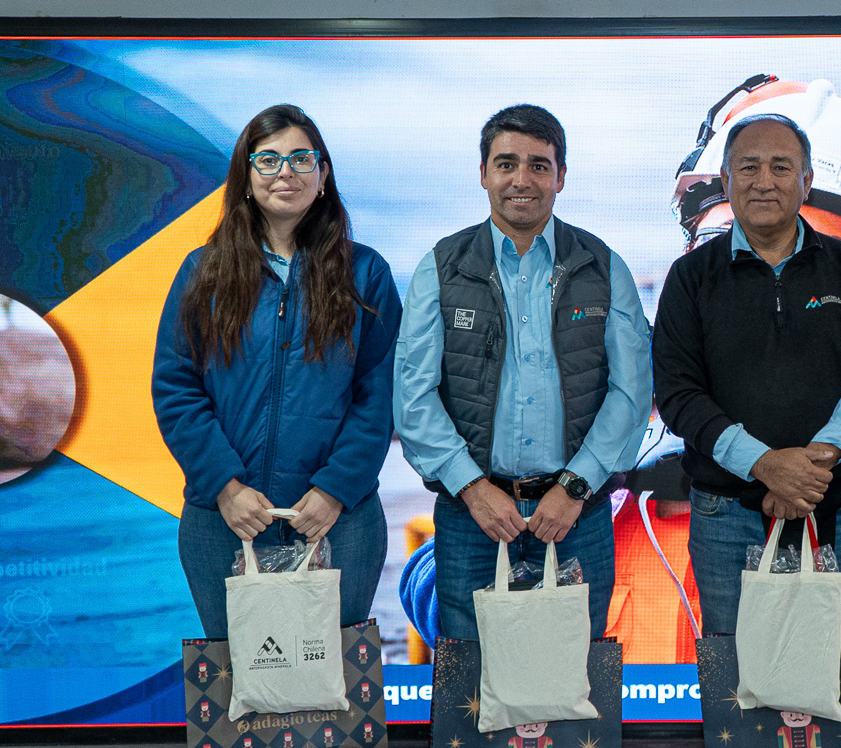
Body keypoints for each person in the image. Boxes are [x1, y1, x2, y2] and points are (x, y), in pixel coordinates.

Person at [394, 104, 651, 640]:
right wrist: (472, 489)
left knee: (576, 669)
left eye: (539, 165)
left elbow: (631, 393)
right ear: (483, 173)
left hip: (577, 517)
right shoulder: (441, 267)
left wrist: (574, 489)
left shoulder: (604, 267)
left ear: (561, 176)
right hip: (473, 517)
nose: (521, 180)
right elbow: (413, 395)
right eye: (506, 164)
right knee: (470, 670)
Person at [153, 104, 402, 638]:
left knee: (333, 675)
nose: (285, 172)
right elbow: (177, 388)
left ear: (322, 174)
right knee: (237, 675)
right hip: (225, 519)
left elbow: (380, 394)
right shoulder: (203, 272)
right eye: (267, 160)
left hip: (339, 519)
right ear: (245, 179)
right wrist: (225, 488)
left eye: (300, 158)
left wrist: (334, 489)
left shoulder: (366, 273)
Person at [652, 112, 841, 635]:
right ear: (726, 180)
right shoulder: (690, 278)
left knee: (839, 664)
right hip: (726, 513)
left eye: (781, 167)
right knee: (733, 666)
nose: (764, 181)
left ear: (805, 181)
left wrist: (813, 466)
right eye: (749, 166)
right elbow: (678, 392)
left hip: (835, 505)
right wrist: (766, 465)